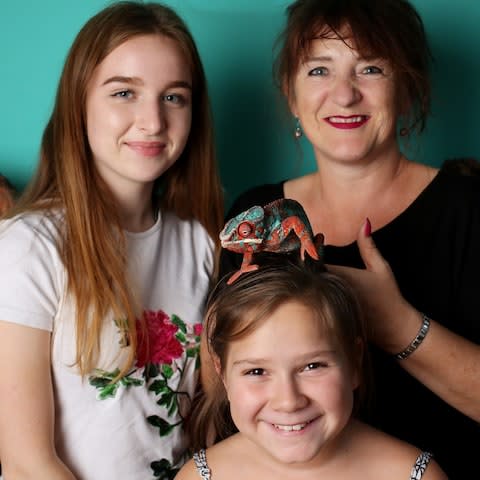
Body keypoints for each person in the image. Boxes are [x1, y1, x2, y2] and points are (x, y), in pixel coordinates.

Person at [219, 0, 480, 477]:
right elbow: (227, 380)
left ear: (407, 90)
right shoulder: (254, 214)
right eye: (320, 69)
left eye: (371, 69)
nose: (344, 95)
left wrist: (397, 324)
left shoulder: (469, 208)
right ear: (291, 94)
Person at [0, 2, 223, 479]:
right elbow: (26, 462)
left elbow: (206, 428)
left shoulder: (201, 243)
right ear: (79, 104)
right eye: (125, 92)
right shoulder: (28, 247)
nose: (152, 121)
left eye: (173, 97)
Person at [177, 253, 446, 480]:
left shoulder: (411, 475)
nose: (288, 401)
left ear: (354, 363)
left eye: (313, 366)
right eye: (256, 372)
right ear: (222, 374)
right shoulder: (200, 477)